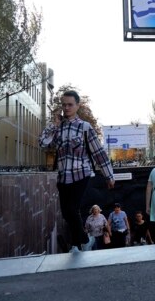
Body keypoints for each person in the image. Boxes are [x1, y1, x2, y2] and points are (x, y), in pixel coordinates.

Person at [39, 90, 115, 253]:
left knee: (72, 209)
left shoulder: (85, 127)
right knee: (67, 213)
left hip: (81, 174)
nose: (66, 108)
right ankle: (77, 244)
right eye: (64, 105)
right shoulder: (57, 128)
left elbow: (98, 152)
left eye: (70, 105)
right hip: (63, 176)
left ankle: (84, 240)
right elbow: (43, 143)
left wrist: (109, 175)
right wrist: (54, 125)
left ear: (77, 106)